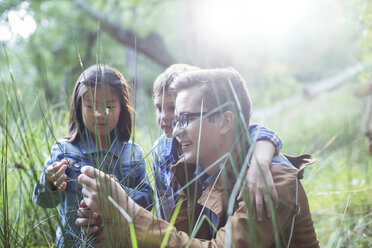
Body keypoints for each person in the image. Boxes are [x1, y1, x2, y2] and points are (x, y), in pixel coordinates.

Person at [76, 67, 319, 247]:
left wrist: (128, 210)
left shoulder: (271, 181)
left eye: (186, 119)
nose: (176, 130)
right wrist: (110, 225)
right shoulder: (195, 172)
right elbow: (176, 239)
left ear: (225, 121)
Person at [32, 64, 153, 247]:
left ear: (123, 107)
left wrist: (117, 193)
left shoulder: (132, 153)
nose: (99, 114)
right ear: (79, 107)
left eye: (109, 106)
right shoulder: (64, 149)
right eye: (90, 106)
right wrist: (50, 183)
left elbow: (147, 202)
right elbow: (44, 201)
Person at [152, 64, 283, 221]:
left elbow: (257, 132)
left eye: (174, 109)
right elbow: (164, 204)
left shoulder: (223, 145)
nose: (165, 117)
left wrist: (259, 164)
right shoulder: (162, 150)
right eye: (158, 108)